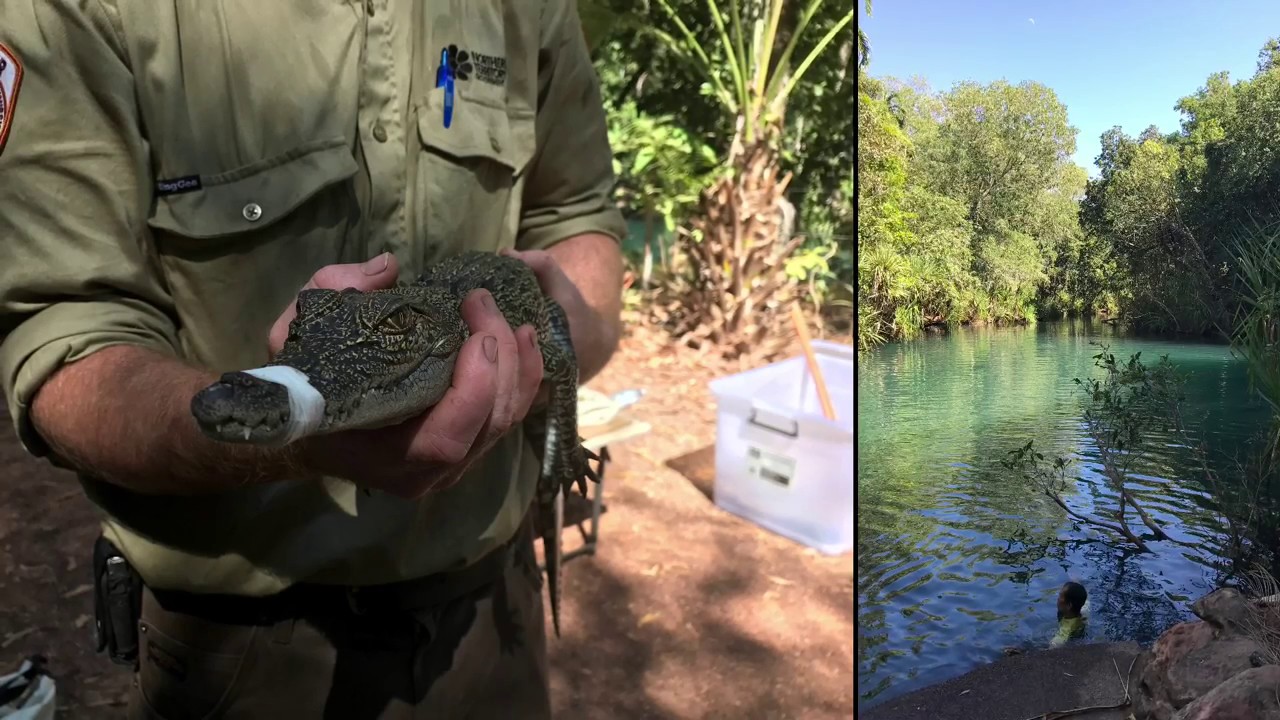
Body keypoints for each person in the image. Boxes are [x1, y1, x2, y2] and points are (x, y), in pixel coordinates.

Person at [0, 0, 626, 717]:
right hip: (242, 645)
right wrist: (300, 443)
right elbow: (62, 333)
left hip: (492, 602)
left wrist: (555, 356)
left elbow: (577, 211)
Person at [1050, 581, 1089, 648]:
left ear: (1069, 605)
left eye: (1060, 596)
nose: (1058, 598)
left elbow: (1055, 645)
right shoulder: (1083, 610)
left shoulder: (1067, 628)